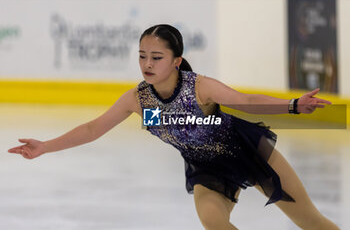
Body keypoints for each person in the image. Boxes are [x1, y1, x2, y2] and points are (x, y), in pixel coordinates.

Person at [8, 24, 340, 230]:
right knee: (212, 221)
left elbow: (246, 101)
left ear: (176, 61)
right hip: (207, 169)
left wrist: (294, 105)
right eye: (142, 56)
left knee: (309, 222)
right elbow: (93, 128)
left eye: (156, 57)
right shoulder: (137, 99)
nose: (147, 64)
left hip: (250, 153)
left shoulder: (200, 87)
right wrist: (45, 146)